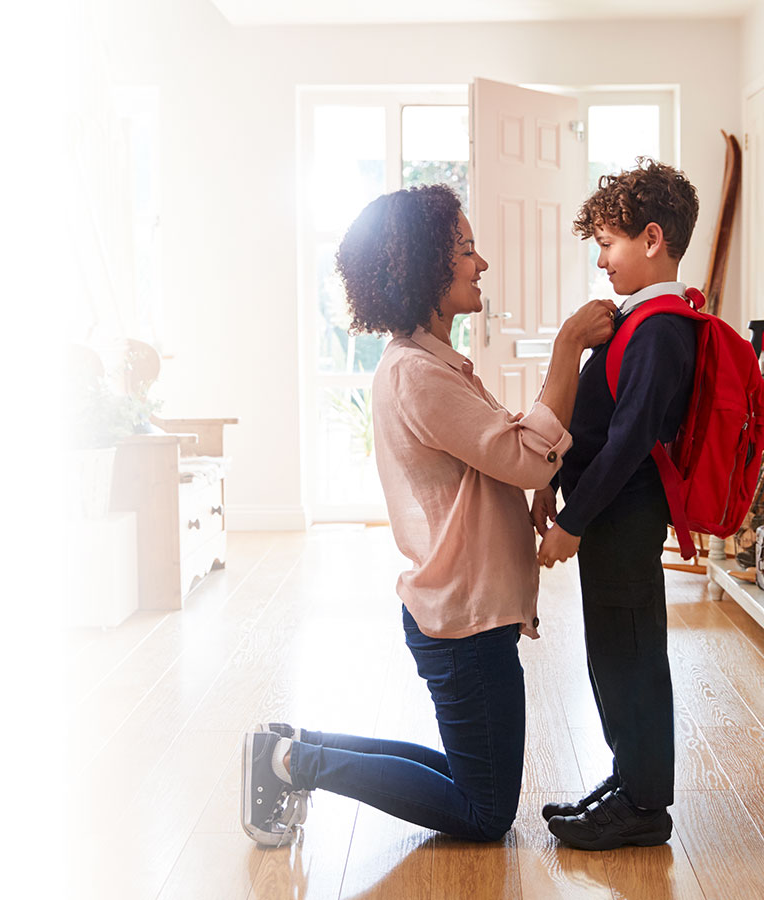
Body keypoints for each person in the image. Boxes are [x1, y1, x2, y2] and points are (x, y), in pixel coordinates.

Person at [240, 183, 617, 847]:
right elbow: (526, 456)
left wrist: (531, 477)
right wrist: (567, 348)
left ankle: (293, 746)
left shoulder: (431, 363)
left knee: (474, 777)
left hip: (462, 611)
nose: (482, 264)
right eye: (467, 251)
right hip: (465, 621)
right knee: (484, 811)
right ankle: (294, 763)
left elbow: (500, 455)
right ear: (423, 268)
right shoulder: (419, 374)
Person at [534, 159, 700, 851]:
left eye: (608, 243)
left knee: (631, 656)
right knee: (610, 653)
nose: (601, 259)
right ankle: (628, 780)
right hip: (609, 516)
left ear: (652, 238)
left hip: (624, 517)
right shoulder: (635, 320)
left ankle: (644, 805)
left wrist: (573, 522)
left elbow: (631, 440)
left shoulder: (662, 327)